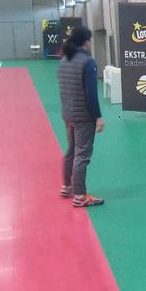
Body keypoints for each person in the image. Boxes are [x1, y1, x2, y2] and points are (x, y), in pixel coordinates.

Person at [58, 26, 105, 207]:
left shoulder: (64, 60)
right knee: (82, 155)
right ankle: (80, 196)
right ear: (86, 41)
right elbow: (91, 94)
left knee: (71, 150)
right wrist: (98, 117)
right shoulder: (88, 62)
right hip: (83, 118)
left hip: (68, 115)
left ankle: (67, 186)